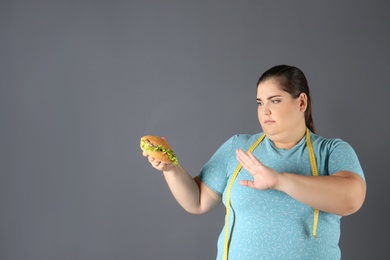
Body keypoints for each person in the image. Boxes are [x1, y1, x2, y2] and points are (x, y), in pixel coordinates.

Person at [142, 65, 366, 259]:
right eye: (260, 103)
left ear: (301, 102)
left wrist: (280, 181)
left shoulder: (331, 151)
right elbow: (198, 200)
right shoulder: (238, 149)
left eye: (275, 100)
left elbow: (352, 198)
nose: (265, 110)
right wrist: (171, 169)